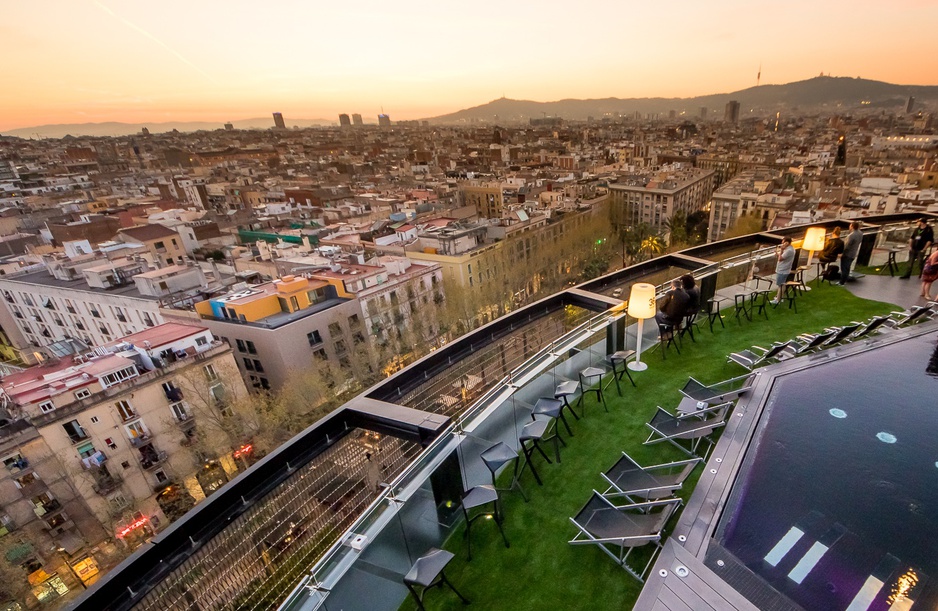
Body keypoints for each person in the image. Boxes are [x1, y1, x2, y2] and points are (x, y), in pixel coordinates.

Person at [772, 236, 795, 305]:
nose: (782, 243)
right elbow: (782, 257)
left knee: (780, 285)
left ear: (787, 243)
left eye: (783, 242)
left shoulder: (789, 250)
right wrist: (778, 253)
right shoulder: (789, 249)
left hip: (783, 270)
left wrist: (781, 250)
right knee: (782, 284)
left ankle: (778, 300)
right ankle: (780, 297)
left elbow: (780, 259)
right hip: (784, 269)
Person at [840, 221, 862, 285]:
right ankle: (845, 280)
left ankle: (842, 282)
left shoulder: (851, 235)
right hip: (853, 253)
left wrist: (842, 253)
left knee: (844, 268)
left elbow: (847, 246)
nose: (849, 227)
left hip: (847, 254)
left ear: (852, 226)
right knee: (847, 267)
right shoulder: (860, 233)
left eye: (850, 225)